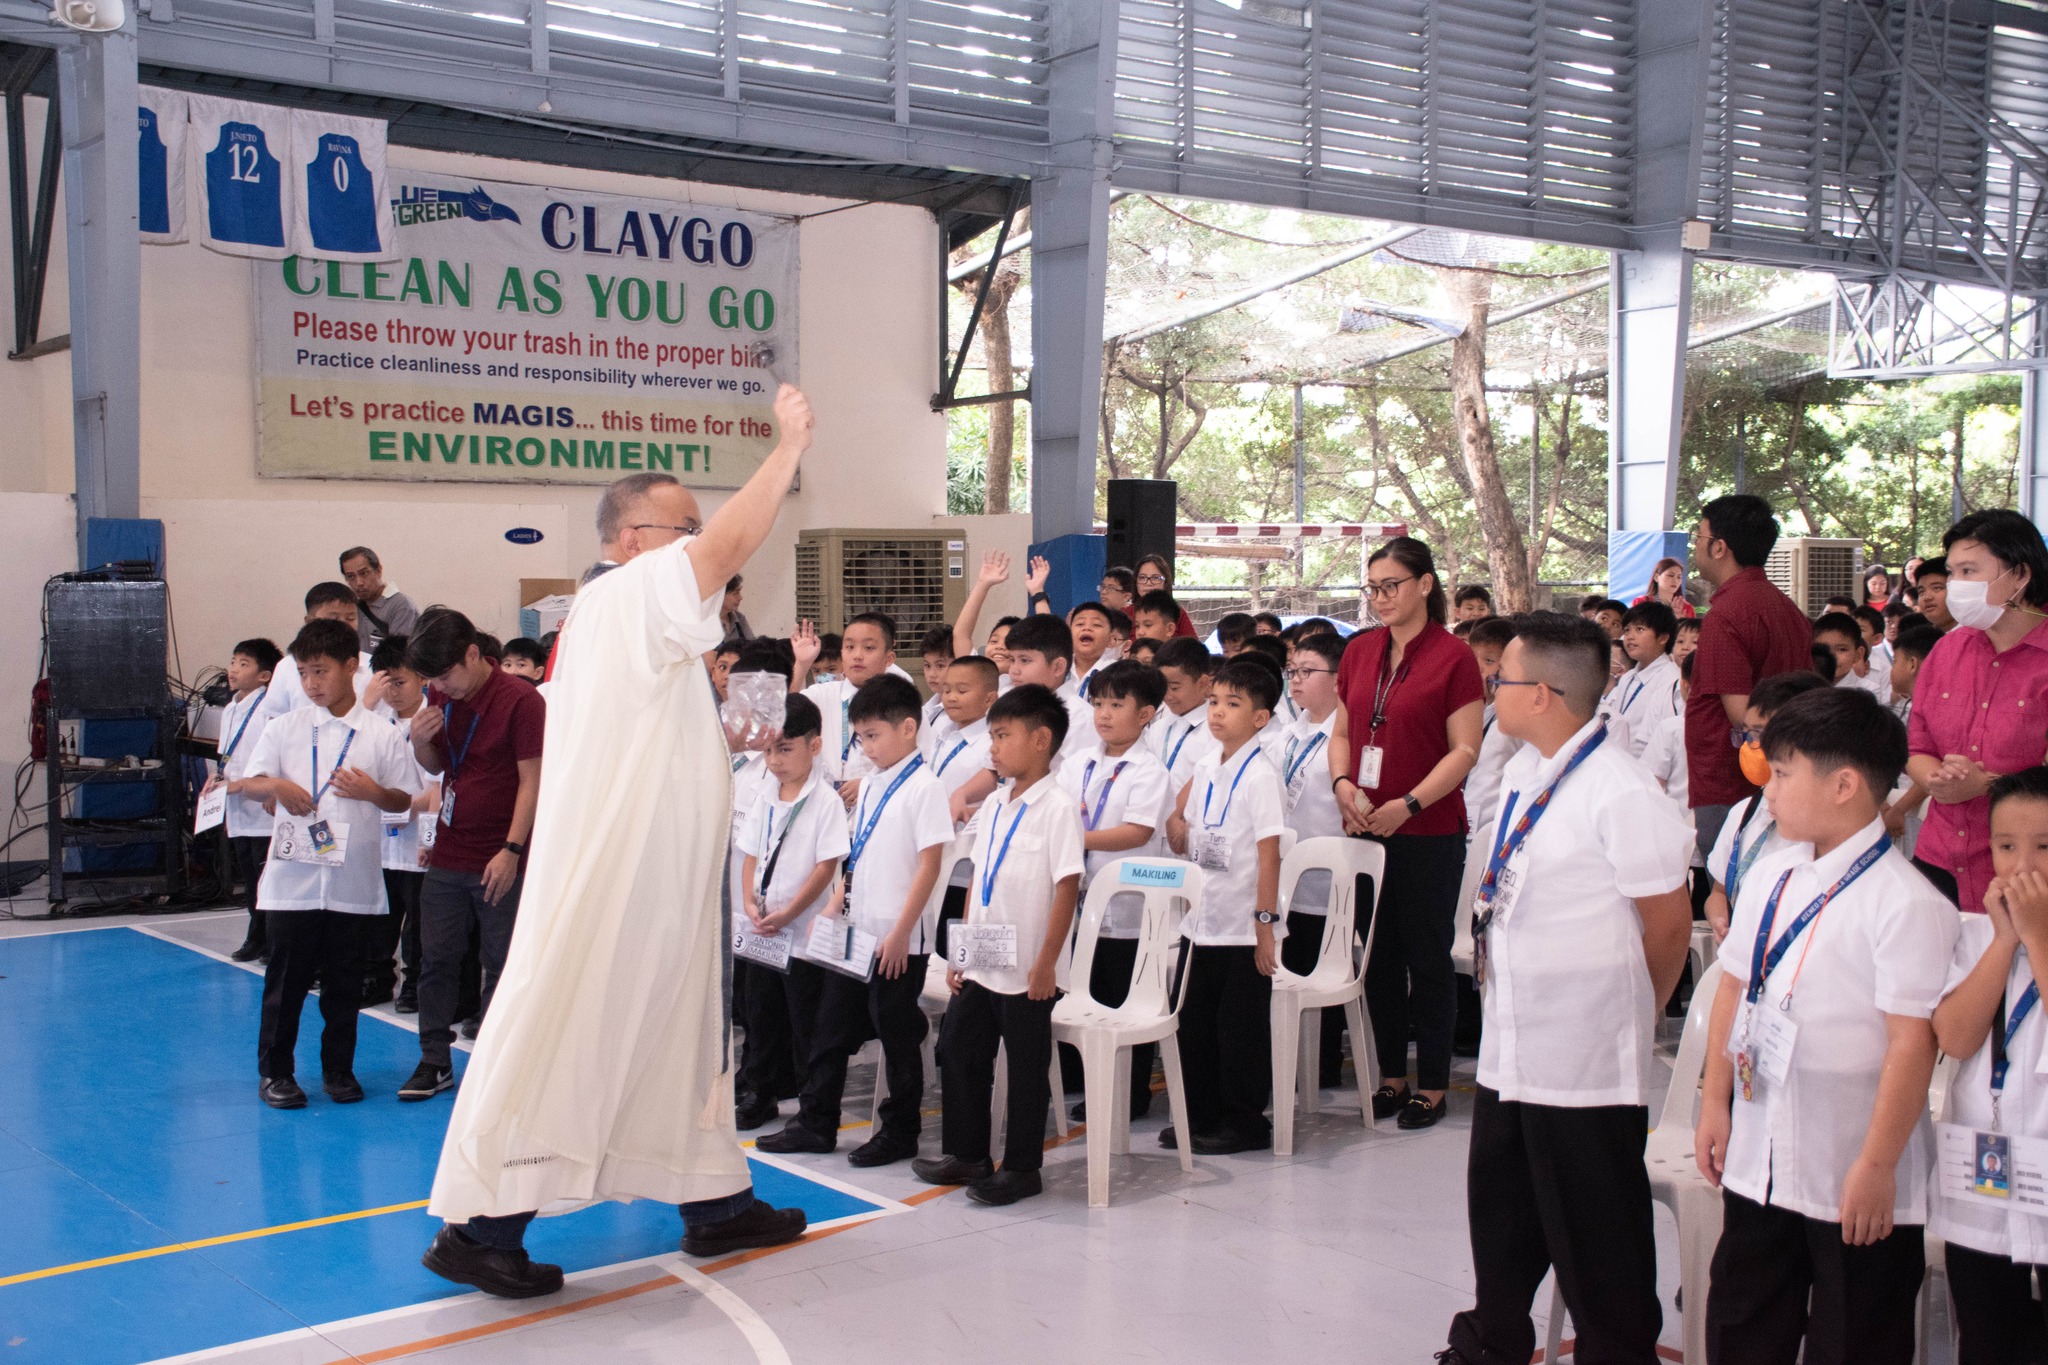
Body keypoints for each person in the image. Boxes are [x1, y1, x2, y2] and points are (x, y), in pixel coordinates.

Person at [421, 392, 817, 1299]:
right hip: (623, 878)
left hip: (657, 873)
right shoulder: (630, 589)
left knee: (679, 1034)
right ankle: (482, 1226)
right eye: (682, 529)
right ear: (634, 538)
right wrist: (788, 449)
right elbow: (728, 546)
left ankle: (716, 1201)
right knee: (583, 1031)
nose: (697, 546)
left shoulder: (625, 617)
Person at [1440, 613, 1693, 1365]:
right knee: (1503, 1216)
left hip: (1584, 1057)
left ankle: (1618, 1355)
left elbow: (1668, 924)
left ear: (1545, 694)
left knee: (1597, 1234)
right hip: (1513, 1039)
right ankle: (1491, 1342)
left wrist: (1625, 1013)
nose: (1494, 688)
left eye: (1504, 679)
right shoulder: (1524, 768)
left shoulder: (1618, 790)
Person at [1697, 686, 1958, 1365]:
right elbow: (1734, 986)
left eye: (1784, 773)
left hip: (1853, 1168)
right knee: (1743, 1319)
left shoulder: (1905, 902)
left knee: (1855, 1335)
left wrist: (1876, 1164)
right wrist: (1712, 1100)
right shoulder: (1774, 873)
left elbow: (1912, 1043)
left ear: (1844, 784)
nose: (1770, 790)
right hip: (1760, 1155)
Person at [758, 674, 951, 1166]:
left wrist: (903, 931)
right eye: (860, 737)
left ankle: (900, 1129)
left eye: (874, 736)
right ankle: (817, 1121)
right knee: (829, 1029)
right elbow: (855, 854)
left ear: (909, 729)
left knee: (897, 1034)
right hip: (856, 929)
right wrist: (834, 905)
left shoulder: (925, 787)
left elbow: (930, 865)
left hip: (896, 937)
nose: (865, 747)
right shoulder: (870, 785)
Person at [1331, 537, 1485, 1131]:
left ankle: (1433, 1083)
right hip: (1366, 825)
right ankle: (1390, 1076)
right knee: (1378, 958)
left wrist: (1410, 802)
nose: (1380, 598)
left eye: (1390, 585)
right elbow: (1343, 732)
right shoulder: (1361, 651)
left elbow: (1466, 749)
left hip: (1428, 829)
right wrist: (1344, 785)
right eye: (1372, 588)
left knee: (1427, 958)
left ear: (1424, 584)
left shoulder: (1453, 657)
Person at [913, 684, 1085, 1204]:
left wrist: (1047, 964)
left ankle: (1023, 1168)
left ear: (1041, 740)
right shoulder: (995, 803)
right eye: (991, 736)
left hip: (1030, 967)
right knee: (958, 1048)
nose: (993, 747)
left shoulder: (1056, 806)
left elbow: (1067, 887)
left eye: (1003, 736)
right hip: (985, 958)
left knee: (1027, 1067)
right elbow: (976, 879)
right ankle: (968, 1155)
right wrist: (962, 951)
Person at [240, 618, 421, 1109]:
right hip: (291, 881)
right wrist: (276, 787)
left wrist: (373, 792)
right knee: (286, 985)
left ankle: (338, 1071)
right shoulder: (285, 729)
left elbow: (404, 798)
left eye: (320, 671)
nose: (311, 684)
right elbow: (249, 783)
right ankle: (276, 1073)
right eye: (303, 673)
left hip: (353, 882)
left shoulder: (380, 735)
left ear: (350, 667)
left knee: (345, 986)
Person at [397, 609, 544, 1101]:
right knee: (435, 959)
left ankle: (496, 1064)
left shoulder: (521, 700)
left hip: (500, 853)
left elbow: (532, 780)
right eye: (432, 678)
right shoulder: (441, 694)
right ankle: (434, 1060)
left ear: (474, 655)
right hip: (450, 849)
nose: (440, 686)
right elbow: (440, 766)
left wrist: (511, 850)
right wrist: (419, 744)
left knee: (500, 961)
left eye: (446, 674)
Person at [1929, 767, 2048, 1364]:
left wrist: (2041, 940)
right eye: (2006, 847)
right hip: (1983, 1195)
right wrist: (2006, 942)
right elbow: (1954, 1034)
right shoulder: (1976, 937)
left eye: (2045, 847)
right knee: (1988, 1341)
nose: (2023, 865)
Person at [1163, 658, 1288, 1153]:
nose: (1217, 713)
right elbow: (1186, 820)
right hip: (1202, 922)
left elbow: (1269, 853)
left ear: (1260, 718)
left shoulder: (1260, 775)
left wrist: (1265, 926)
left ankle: (1245, 1122)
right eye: (1214, 701)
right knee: (1195, 1024)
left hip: (1241, 926)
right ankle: (1201, 1115)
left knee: (1239, 1031)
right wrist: (1176, 821)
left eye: (1232, 705)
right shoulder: (1205, 763)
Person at [1906, 509, 2048, 910]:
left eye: (1969, 571)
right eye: (1952, 573)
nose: (1955, 586)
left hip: (2023, 877)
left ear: (2019, 576)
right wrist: (1939, 781)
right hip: (1937, 860)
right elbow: (1917, 746)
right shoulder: (1948, 649)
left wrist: (1986, 786)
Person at [1053, 659, 1172, 1120]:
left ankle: (1129, 1093)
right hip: (1077, 901)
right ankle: (1079, 1080)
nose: (1103, 714)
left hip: (1128, 908)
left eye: (1116, 704)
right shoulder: (1078, 762)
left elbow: (1137, 831)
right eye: (1098, 703)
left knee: (1123, 997)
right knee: (1082, 988)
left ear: (1145, 714)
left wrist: (1072, 838)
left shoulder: (1149, 770)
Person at [733, 694, 849, 1134]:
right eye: (768, 751)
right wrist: (749, 902)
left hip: (801, 935)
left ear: (814, 746)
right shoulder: (765, 792)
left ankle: (810, 1110)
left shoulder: (825, 800)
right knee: (760, 1017)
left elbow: (826, 867)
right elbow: (748, 852)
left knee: (806, 1025)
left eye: (785, 749)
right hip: (762, 930)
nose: (774, 761)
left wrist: (790, 912)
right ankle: (760, 1096)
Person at [1684, 494, 1815, 878]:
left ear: (1720, 547)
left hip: (1734, 782)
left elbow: (1742, 714)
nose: (1696, 545)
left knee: (1735, 889)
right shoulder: (1784, 607)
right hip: (1783, 773)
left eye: (1699, 535)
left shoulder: (1728, 612)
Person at [1699, 671, 1830, 943]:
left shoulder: (1831, 824)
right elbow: (1720, 893)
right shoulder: (1745, 812)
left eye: (1760, 734)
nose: (1751, 746)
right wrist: (1719, 917)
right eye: (1746, 733)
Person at [1279, 631, 1349, 1087]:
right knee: (1294, 965)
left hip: (1331, 882)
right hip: (1288, 881)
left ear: (1340, 679)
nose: (1296, 682)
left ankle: (1321, 1067)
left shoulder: (1347, 735)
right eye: (1292, 672)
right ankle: (1293, 1061)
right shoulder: (1288, 733)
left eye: (1307, 672)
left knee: (1324, 972)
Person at [366, 635, 436, 1009]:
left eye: (400, 682)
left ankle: (414, 985)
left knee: (419, 923)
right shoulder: (374, 723)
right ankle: (377, 978)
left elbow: (439, 784)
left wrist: (410, 806)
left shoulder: (435, 720)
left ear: (422, 678)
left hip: (419, 838)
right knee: (380, 917)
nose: (392, 692)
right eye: (386, 682)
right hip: (382, 839)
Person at [212, 638, 281, 963]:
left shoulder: (270, 708)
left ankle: (270, 939)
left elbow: (276, 755)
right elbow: (227, 754)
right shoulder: (230, 709)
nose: (234, 669)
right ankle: (256, 936)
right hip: (237, 807)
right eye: (233, 661)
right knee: (250, 879)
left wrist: (274, 790)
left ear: (265, 675)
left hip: (263, 807)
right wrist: (217, 779)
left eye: (244, 664)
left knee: (268, 877)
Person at [802, 613, 900, 798]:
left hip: (879, 805)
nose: (857, 655)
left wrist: (871, 783)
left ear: (889, 659)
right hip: (828, 805)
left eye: (869, 648)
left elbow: (921, 763)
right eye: (849, 647)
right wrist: (802, 664)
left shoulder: (901, 701)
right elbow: (786, 716)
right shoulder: (823, 693)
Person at [264, 583, 376, 721]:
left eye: (351, 618)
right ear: (309, 621)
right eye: (334, 619)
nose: (343, 625)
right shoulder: (287, 666)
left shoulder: (373, 666)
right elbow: (274, 716)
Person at [1002, 615, 1093, 771]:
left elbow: (1080, 782)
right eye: (1012, 660)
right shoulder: (1011, 707)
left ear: (1058, 667)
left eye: (1024, 660)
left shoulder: (1080, 719)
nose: (1014, 670)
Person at [1607, 601, 1682, 759]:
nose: (1630, 637)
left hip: (1652, 773)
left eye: (1639, 629)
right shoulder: (1627, 678)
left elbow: (1673, 739)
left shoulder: (1673, 681)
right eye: (1627, 630)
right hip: (1621, 764)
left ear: (1662, 638)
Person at [1150, 637, 1222, 792]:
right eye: (1163, 687)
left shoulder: (1216, 731)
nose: (1167, 696)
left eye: (1175, 688)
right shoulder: (1157, 728)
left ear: (1203, 683)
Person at [340, 546, 419, 654]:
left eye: (364, 573)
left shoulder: (401, 606)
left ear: (378, 570)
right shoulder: (351, 606)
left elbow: (400, 656)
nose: (359, 582)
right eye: (351, 576)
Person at [951, 550, 1012, 663]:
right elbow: (961, 635)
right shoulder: (977, 673)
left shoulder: (1026, 678)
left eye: (1008, 642)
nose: (999, 647)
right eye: (994, 641)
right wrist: (983, 584)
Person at [1814, 611, 1889, 704]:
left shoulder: (1868, 692)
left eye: (1842, 649)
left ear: (1858, 655)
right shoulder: (1806, 687)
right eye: (1824, 648)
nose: (1832, 656)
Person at [1135, 554, 1200, 637]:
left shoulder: (1178, 613)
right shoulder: (1125, 613)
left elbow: (1193, 646)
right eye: (1142, 578)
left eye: (1155, 578)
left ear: (1166, 583)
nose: (1148, 583)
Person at [1888, 622, 1940, 723]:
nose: (1891, 668)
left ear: (1912, 664)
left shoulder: (1934, 715)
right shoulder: (1907, 706)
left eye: (1895, 661)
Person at [1069, 602, 1117, 698]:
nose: (1086, 628)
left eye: (1096, 625)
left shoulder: (1117, 673)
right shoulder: (1058, 668)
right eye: (1080, 624)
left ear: (1110, 639)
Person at [916, 625, 954, 742]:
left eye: (940, 665)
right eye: (927, 665)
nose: (932, 674)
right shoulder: (926, 709)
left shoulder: (956, 712)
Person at [1634, 556, 1698, 619]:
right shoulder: (1642, 602)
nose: (1675, 580)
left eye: (1679, 577)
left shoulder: (1686, 608)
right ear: (1656, 577)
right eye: (1670, 575)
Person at [1917, 556, 1957, 632]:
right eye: (1921, 592)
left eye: (1937, 588)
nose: (1927, 597)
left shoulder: (1976, 637)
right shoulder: (1919, 639)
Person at [720, 573, 754, 641]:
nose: (740, 597)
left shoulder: (739, 618)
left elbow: (753, 648)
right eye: (735, 593)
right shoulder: (706, 624)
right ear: (720, 595)